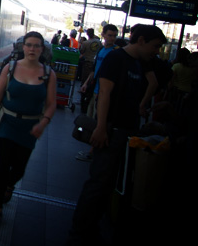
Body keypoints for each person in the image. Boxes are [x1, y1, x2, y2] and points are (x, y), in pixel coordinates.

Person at [66, 25, 167, 246]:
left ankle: (92, 229)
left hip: (128, 131)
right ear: (141, 40)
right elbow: (104, 93)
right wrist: (101, 127)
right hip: (111, 130)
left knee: (108, 185)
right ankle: (78, 235)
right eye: (155, 46)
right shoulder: (116, 58)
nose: (157, 51)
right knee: (98, 184)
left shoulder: (141, 62)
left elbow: (153, 83)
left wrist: (141, 105)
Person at [0, 32, 57, 227]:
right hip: (7, 122)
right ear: (23, 47)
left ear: (42, 49)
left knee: (20, 167)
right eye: (29, 45)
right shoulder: (10, 68)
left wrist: (43, 123)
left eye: (36, 46)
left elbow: (51, 104)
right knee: (4, 164)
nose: (32, 49)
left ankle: (10, 184)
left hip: (30, 127)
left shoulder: (49, 74)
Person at [75, 24, 119, 162]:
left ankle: (93, 152)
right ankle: (92, 150)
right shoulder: (101, 50)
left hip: (103, 92)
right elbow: (95, 70)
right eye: (110, 35)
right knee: (91, 120)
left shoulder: (116, 53)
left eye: (114, 35)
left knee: (98, 121)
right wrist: (86, 84)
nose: (112, 38)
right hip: (95, 89)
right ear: (103, 35)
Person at [78, 28, 102, 112]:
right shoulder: (98, 42)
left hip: (87, 63)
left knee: (85, 82)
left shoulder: (85, 43)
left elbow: (81, 51)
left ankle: (83, 103)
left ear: (87, 34)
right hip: (96, 64)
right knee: (93, 82)